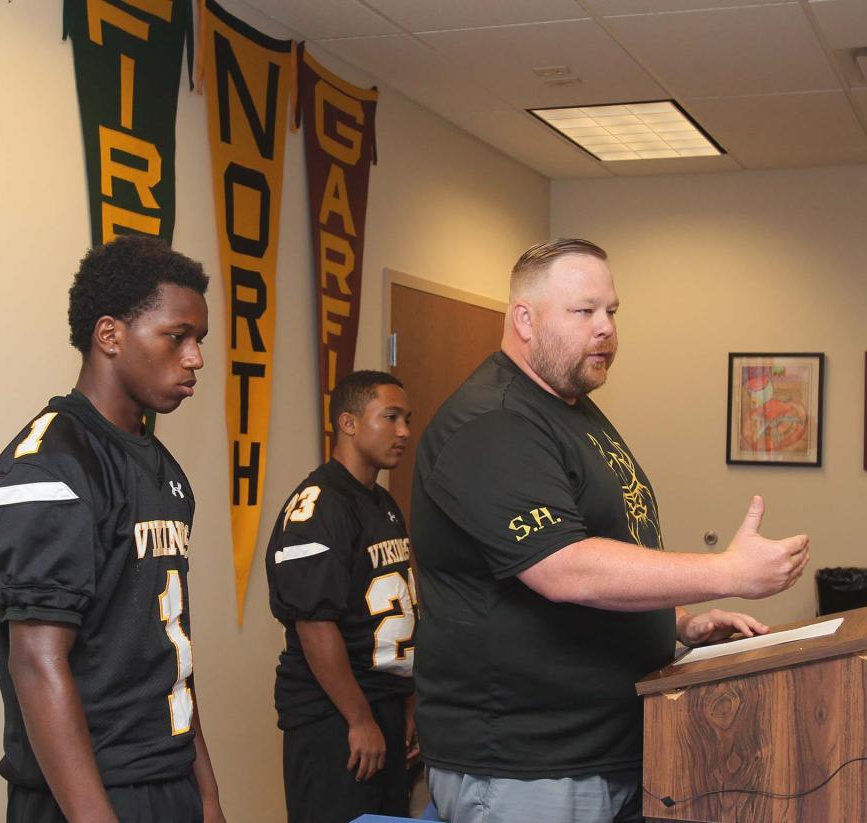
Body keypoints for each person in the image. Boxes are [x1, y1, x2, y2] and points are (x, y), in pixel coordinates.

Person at [411, 238, 810, 823]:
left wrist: (677, 623)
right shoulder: (492, 423)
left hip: (608, 747)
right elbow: (564, 567)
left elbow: (606, 544)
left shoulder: (569, 408)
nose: (605, 329)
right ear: (524, 319)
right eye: (584, 311)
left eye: (612, 312)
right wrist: (729, 573)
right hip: (528, 766)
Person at [0, 236, 226, 823]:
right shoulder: (48, 465)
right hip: (87, 795)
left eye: (200, 340)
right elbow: (37, 662)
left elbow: (164, 657)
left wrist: (207, 796)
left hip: (168, 780)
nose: (195, 358)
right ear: (110, 335)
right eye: (177, 336)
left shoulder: (160, 467)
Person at [266, 370, 418, 823]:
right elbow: (314, 624)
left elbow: (404, 610)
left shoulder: (382, 503)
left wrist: (406, 703)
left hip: (382, 706)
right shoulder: (320, 504)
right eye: (390, 417)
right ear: (348, 423)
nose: (404, 431)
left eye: (406, 418)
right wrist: (358, 719)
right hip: (335, 717)